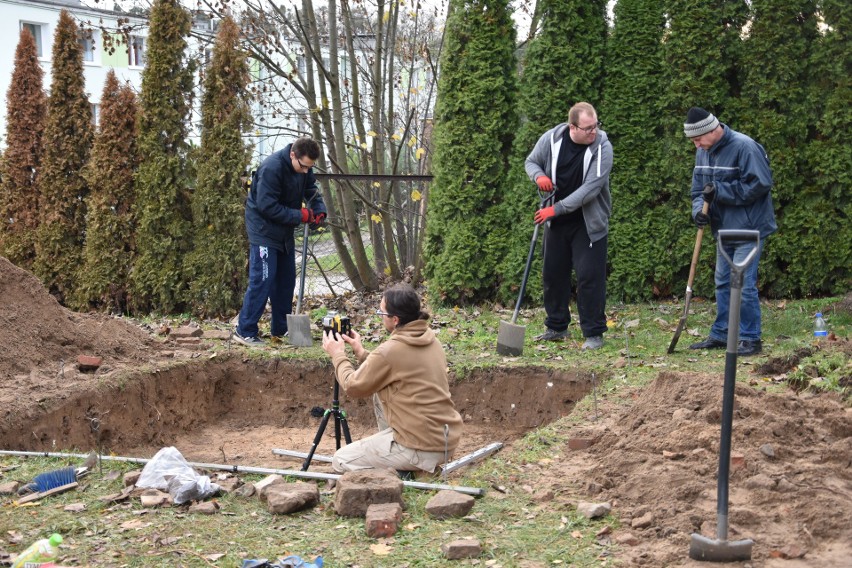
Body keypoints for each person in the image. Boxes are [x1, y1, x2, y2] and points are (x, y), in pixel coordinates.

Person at [320, 283, 463, 475]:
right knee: (379, 393)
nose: (379, 317)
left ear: (394, 319)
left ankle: (403, 470)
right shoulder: (429, 339)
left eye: (381, 313)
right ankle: (399, 456)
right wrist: (362, 353)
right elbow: (394, 367)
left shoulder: (390, 350)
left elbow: (352, 386)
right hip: (444, 439)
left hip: (421, 448)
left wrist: (338, 355)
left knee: (341, 459)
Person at [683, 107, 776, 356]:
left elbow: (760, 184)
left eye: (698, 139)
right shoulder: (703, 152)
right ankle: (722, 333)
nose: (696, 145)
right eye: (693, 141)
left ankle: (750, 338)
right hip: (723, 229)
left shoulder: (745, 147)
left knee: (743, 284)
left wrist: (720, 191)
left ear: (713, 130)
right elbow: (698, 192)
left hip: (749, 228)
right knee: (723, 282)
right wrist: (699, 212)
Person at [524, 102, 613, 350]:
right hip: (556, 223)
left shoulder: (602, 146)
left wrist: (556, 208)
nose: (593, 132)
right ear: (572, 127)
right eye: (588, 128)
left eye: (595, 126)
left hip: (588, 223)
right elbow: (531, 162)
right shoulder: (552, 138)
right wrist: (538, 176)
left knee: (589, 277)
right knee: (553, 275)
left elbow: (591, 189)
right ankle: (556, 326)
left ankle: (594, 333)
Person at [233, 138, 327, 345]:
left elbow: (311, 190)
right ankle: (245, 330)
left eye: (309, 167)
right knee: (263, 279)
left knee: (286, 280)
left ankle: (281, 328)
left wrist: (319, 210)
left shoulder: (304, 168)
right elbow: (267, 207)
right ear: (293, 154)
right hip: (263, 229)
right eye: (304, 166)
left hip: (283, 230)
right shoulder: (271, 168)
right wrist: (300, 215)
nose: (306, 171)